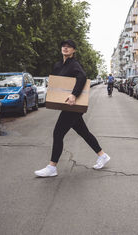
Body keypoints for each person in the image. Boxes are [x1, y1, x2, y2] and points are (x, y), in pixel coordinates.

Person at [34, 39, 110, 177]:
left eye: (69, 47)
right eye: (63, 46)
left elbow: (82, 77)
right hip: (67, 105)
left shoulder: (74, 64)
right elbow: (58, 83)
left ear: (74, 50)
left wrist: (74, 95)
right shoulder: (58, 65)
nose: (65, 48)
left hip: (73, 105)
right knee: (84, 132)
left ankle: (52, 167)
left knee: (58, 133)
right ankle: (102, 155)